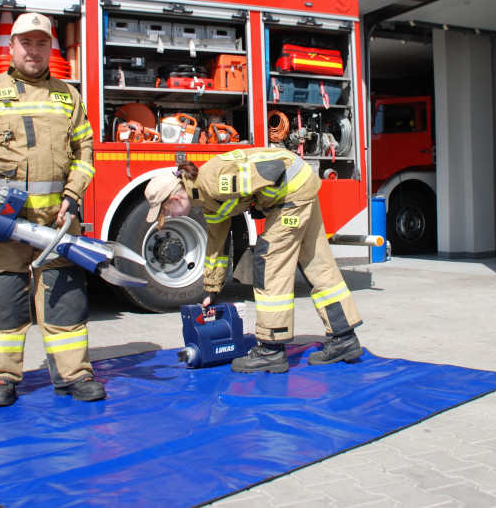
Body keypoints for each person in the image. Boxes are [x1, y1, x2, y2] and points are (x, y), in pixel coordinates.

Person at [0, 12, 99, 407]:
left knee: (66, 299)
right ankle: (1, 380)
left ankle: (73, 375)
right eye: (26, 42)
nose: (34, 49)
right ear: (11, 48)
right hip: (6, 224)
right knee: (4, 299)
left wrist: (74, 195)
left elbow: (85, 152)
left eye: (42, 42)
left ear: (51, 49)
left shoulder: (69, 96)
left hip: (57, 224)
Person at [143, 147, 364, 373]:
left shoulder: (212, 183)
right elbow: (216, 245)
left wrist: (260, 202)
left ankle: (271, 349)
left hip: (291, 189)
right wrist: (211, 289)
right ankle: (344, 338)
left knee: (269, 264)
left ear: (176, 198)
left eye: (166, 211)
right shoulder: (205, 199)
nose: (170, 217)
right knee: (317, 262)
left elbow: (273, 170)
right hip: (300, 183)